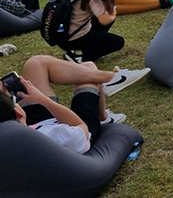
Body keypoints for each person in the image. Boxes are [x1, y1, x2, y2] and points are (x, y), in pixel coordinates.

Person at [0, 55, 149, 153]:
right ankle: (112, 79)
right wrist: (42, 100)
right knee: (89, 71)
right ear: (18, 113)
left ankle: (110, 85)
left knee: (36, 64)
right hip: (73, 127)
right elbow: (80, 127)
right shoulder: (58, 136)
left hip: (30, 125)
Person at [58, 0, 125, 63]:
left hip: (63, 33)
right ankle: (82, 57)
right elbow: (104, 21)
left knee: (103, 20)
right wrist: (114, 12)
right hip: (73, 38)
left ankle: (87, 47)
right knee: (118, 42)